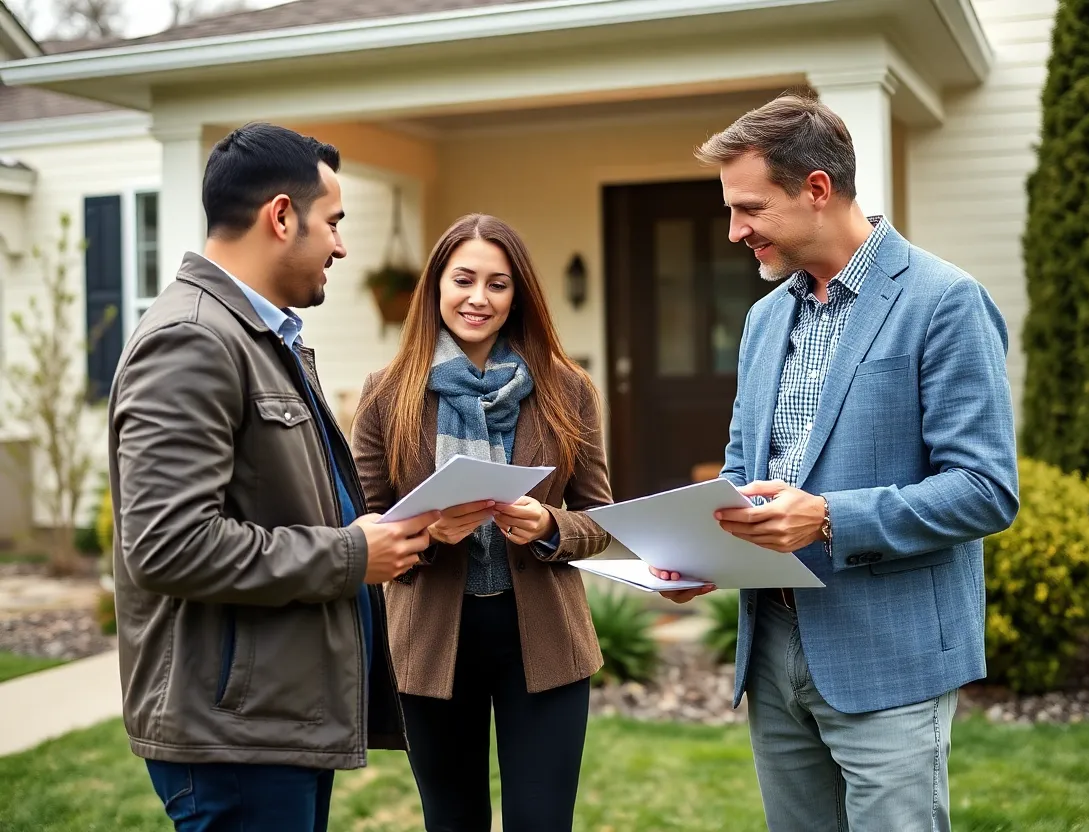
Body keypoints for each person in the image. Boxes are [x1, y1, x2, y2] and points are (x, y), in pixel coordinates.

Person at [653, 91, 1019, 830]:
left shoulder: (945, 301)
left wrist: (826, 518)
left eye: (749, 208)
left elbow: (985, 490)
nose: (734, 231)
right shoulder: (763, 319)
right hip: (774, 649)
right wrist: (703, 555)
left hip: (890, 654)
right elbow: (741, 466)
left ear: (817, 189)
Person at [107, 123, 439, 832]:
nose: (342, 246)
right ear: (282, 216)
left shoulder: (256, 336)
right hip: (232, 737)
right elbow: (169, 546)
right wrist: (354, 554)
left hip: (270, 721)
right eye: (334, 222)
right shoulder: (192, 339)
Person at [351, 213, 613, 832]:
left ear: (517, 293)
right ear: (435, 286)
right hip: (431, 638)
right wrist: (429, 533)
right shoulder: (387, 393)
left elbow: (601, 519)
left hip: (544, 638)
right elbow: (360, 527)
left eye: (497, 284)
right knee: (452, 820)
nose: (478, 298)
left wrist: (550, 525)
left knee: (541, 822)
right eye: (463, 279)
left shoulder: (567, 388)